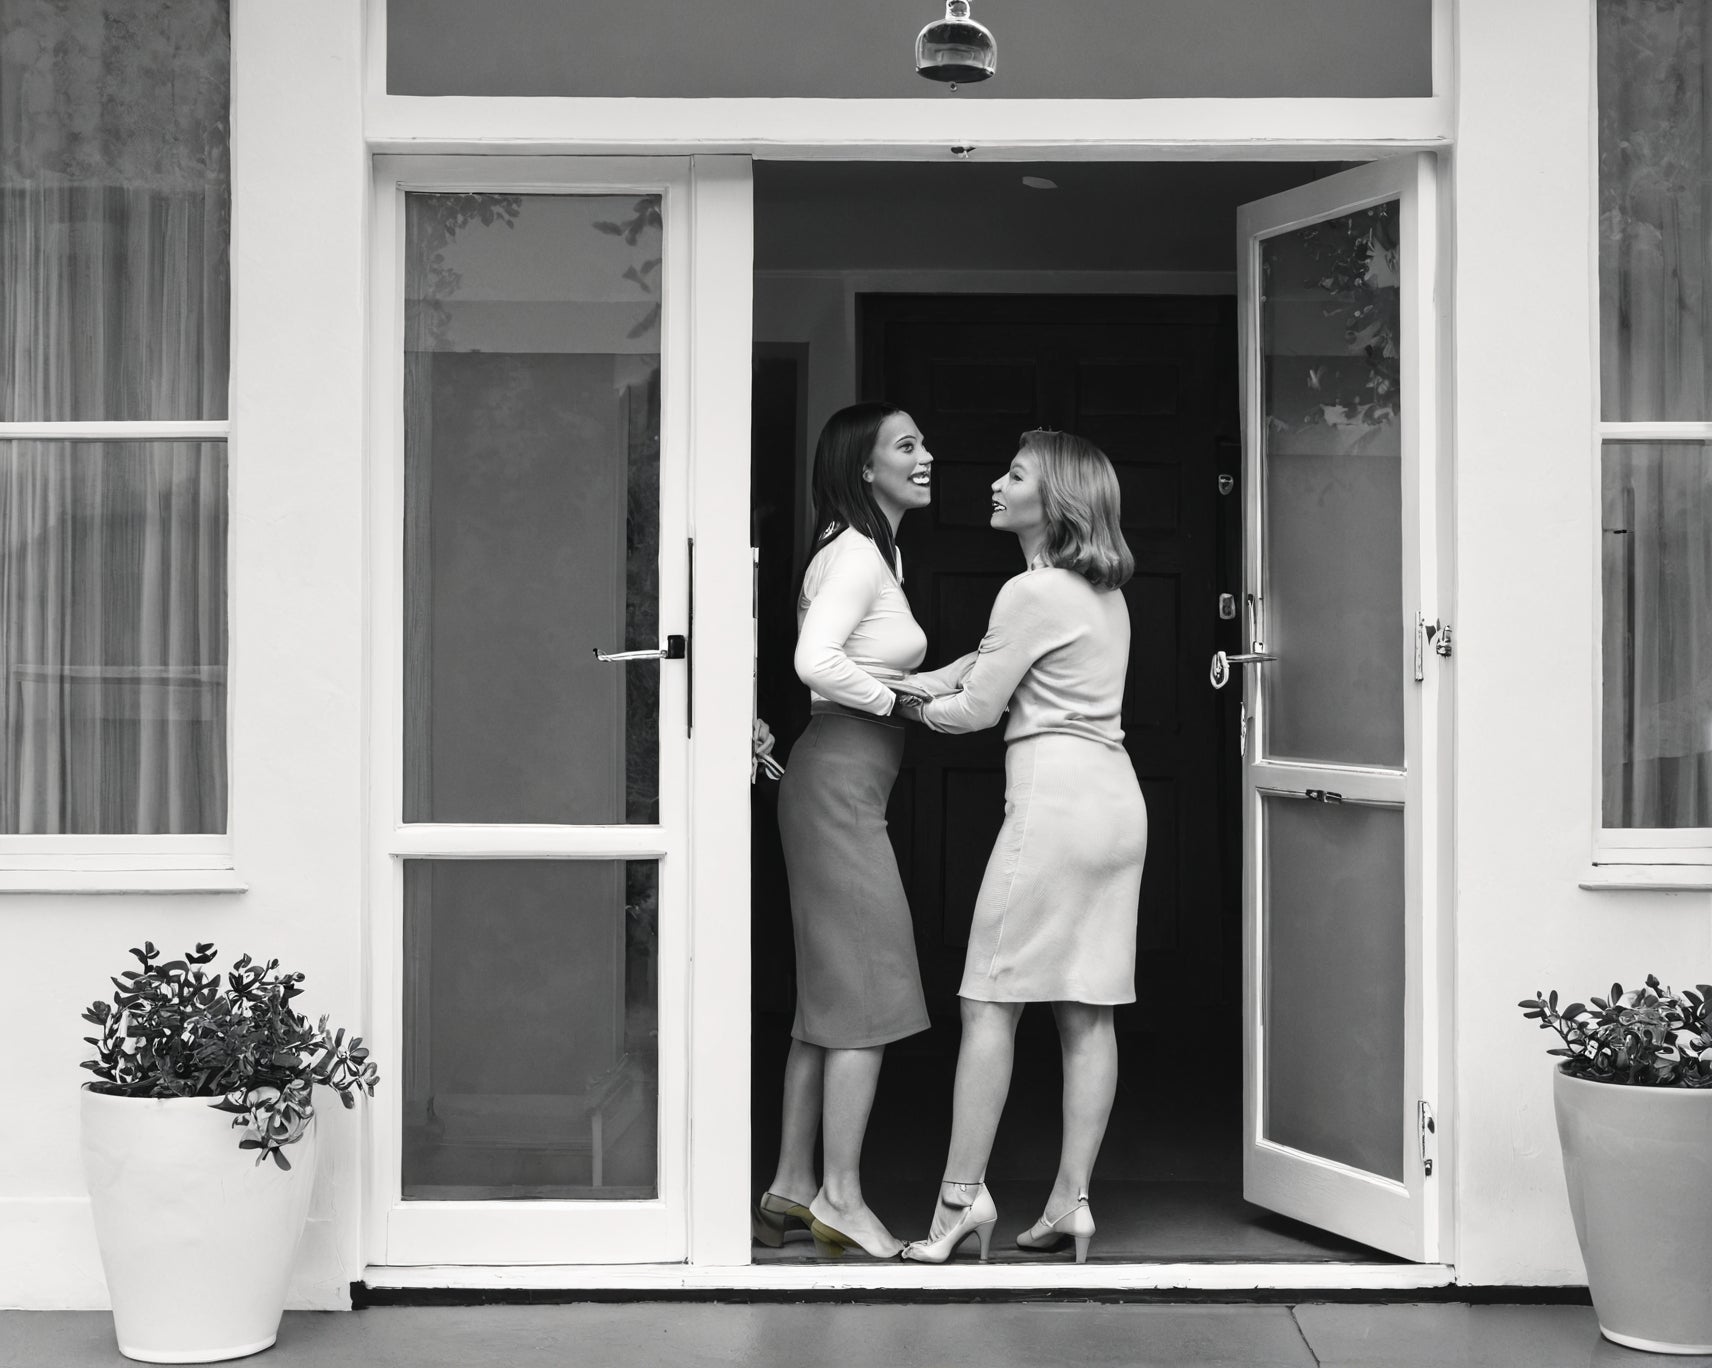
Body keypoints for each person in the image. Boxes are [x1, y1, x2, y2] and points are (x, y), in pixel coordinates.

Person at [893, 429, 1145, 1266]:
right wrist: (919, 682)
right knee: (1087, 1009)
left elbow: (975, 707)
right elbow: (986, 663)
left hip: (1055, 803)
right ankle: (1071, 1202)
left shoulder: (1028, 592)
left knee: (988, 1001)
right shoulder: (1101, 595)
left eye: (1015, 474)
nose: (995, 484)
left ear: (1056, 500)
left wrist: (886, 704)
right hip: (1117, 806)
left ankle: (959, 1201)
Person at [752, 401, 935, 1260]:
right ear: (865, 467)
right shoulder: (858, 555)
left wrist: (937, 682)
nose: (926, 456)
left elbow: (852, 664)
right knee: (868, 989)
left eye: (923, 443)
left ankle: (791, 1187)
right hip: (837, 787)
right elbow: (815, 663)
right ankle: (841, 1197)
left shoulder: (868, 551)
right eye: (907, 445)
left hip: (839, 783)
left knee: (827, 998)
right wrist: (898, 702)